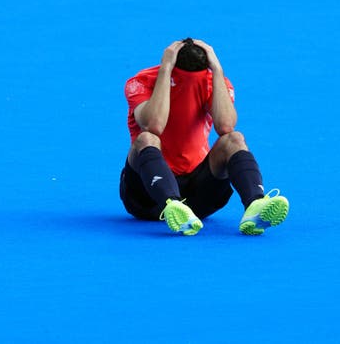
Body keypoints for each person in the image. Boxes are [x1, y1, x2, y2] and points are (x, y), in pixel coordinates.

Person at [119, 38, 289, 236]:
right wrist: (166, 70)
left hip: (197, 199)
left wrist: (217, 70)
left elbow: (226, 125)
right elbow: (153, 124)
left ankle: (256, 206)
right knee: (146, 139)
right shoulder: (141, 81)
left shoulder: (214, 82)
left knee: (234, 139)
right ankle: (173, 205)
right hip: (146, 197)